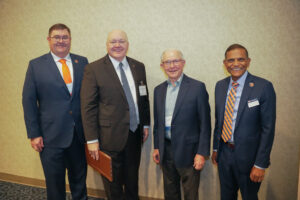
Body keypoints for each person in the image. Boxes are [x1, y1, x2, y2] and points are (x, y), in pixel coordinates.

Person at [80, 30, 150, 200]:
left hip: (134, 134)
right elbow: (87, 106)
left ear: (127, 44)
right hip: (108, 138)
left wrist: (146, 124)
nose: (117, 45)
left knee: (133, 181)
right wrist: (92, 140)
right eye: (113, 42)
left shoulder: (138, 66)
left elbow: (144, 98)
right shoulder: (94, 69)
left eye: (121, 41)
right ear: (107, 45)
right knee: (114, 185)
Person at [22, 23, 88, 200]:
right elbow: (28, 101)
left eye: (65, 37)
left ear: (70, 40)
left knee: (79, 181)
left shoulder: (82, 62)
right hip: (50, 137)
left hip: (78, 135)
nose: (61, 41)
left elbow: (89, 99)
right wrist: (34, 134)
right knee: (55, 184)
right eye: (56, 37)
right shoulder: (36, 65)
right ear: (48, 40)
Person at [212, 44, 276, 200]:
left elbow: (268, 128)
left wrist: (260, 164)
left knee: (249, 196)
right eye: (231, 60)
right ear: (225, 63)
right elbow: (219, 121)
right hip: (224, 154)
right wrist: (215, 148)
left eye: (240, 59)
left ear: (248, 61)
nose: (235, 64)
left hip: (250, 158)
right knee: (226, 196)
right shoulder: (220, 86)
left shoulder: (263, 87)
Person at [152, 49, 211, 200]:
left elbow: (205, 123)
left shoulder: (197, 88)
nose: (172, 66)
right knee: (170, 193)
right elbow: (158, 122)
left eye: (175, 61)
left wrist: (202, 152)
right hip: (166, 151)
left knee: (190, 194)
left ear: (183, 63)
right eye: (167, 62)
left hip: (190, 151)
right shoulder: (158, 90)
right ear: (162, 65)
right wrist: (157, 146)